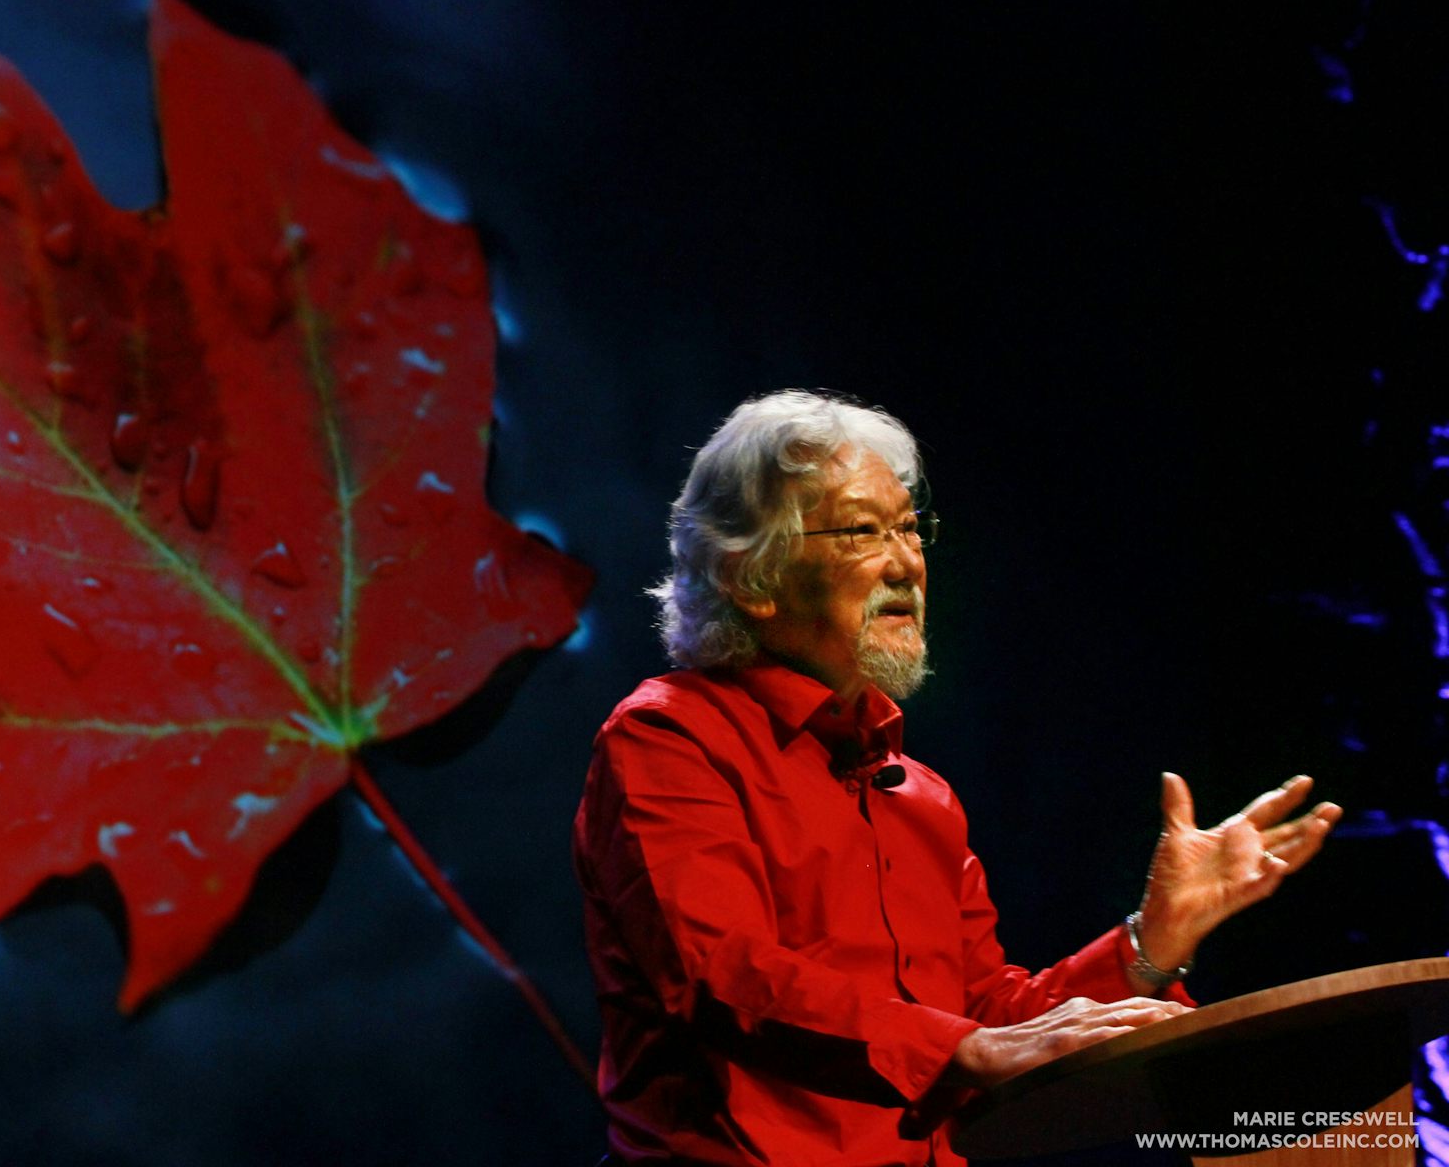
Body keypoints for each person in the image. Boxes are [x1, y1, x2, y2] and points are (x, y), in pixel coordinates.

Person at [571, 390, 1341, 1166]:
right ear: (751, 577)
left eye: (910, 528)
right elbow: (721, 976)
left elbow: (993, 1022)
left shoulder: (922, 796)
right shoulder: (669, 738)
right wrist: (965, 1047)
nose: (906, 562)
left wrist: (1154, 937)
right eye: (863, 531)